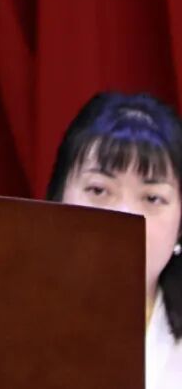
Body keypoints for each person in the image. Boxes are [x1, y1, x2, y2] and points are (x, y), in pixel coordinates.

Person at [46, 92, 182, 389]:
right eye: (99, 190)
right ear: (58, 200)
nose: (125, 215)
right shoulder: (3, 323)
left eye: (152, 198)